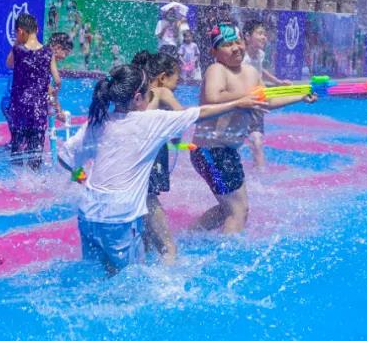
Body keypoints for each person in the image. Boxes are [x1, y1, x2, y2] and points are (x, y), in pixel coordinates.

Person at [57, 64, 260, 275]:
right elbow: (201, 113)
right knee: (130, 279)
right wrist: (238, 103)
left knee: (95, 275)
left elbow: (64, 158)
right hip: (120, 217)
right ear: (138, 98)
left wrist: (80, 176)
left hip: (88, 213)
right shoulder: (151, 121)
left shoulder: (98, 121)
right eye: (149, 93)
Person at [192, 23, 315, 234]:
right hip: (209, 150)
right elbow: (212, 97)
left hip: (226, 151)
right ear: (214, 52)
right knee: (238, 210)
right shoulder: (217, 70)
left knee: (231, 208)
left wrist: (300, 96)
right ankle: (227, 250)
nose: (235, 48)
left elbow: (265, 101)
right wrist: (246, 97)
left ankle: (192, 233)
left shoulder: (251, 72)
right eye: (227, 45)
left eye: (237, 42)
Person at [131, 51, 186, 263]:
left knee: (142, 204)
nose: (178, 84)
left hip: (134, 156)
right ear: (162, 77)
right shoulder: (161, 91)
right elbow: (181, 116)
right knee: (150, 198)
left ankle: (146, 253)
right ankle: (168, 257)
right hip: (151, 156)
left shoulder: (137, 94)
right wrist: (175, 138)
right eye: (177, 79)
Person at [4, 13, 59, 169]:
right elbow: (57, 80)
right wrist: (52, 94)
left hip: (19, 107)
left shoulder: (18, 50)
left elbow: (9, 64)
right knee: (35, 148)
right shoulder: (48, 52)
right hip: (38, 108)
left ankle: (17, 176)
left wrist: (16, 43)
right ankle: (34, 174)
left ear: (20, 31)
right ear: (37, 29)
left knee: (18, 147)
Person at [241, 20, 292, 169]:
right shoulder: (240, 56)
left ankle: (260, 175)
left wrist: (278, 82)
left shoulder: (260, 55)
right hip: (242, 103)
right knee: (235, 143)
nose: (264, 37)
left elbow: (260, 71)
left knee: (256, 141)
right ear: (247, 36)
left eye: (265, 34)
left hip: (257, 103)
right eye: (260, 33)